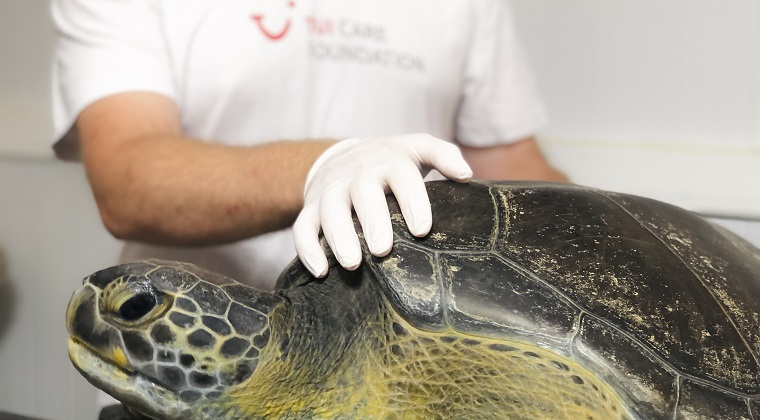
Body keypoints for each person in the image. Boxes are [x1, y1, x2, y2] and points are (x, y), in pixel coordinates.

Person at [51, 0, 567, 292]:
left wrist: (637, 247)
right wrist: (322, 167)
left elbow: (511, 166)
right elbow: (130, 179)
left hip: (409, 368)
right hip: (201, 369)